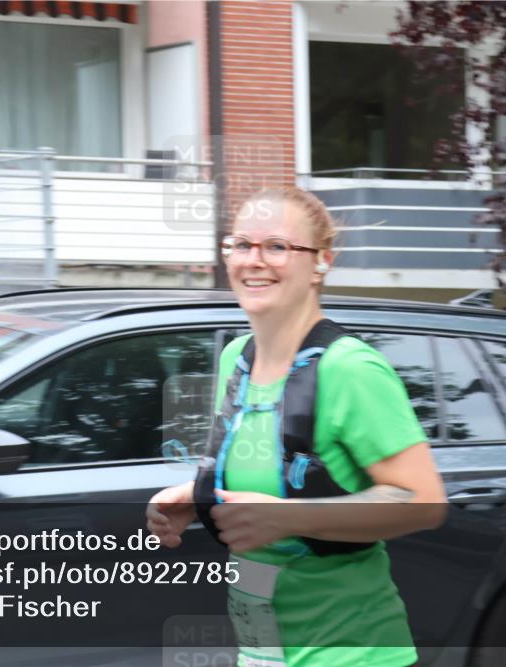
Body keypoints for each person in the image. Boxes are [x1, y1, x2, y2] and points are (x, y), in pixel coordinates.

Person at [146, 186, 448, 667]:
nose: (254, 260)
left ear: (321, 262)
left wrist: (288, 517)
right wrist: (194, 494)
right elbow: (275, 468)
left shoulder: (350, 369)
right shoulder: (236, 359)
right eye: (242, 244)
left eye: (277, 247)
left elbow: (424, 502)